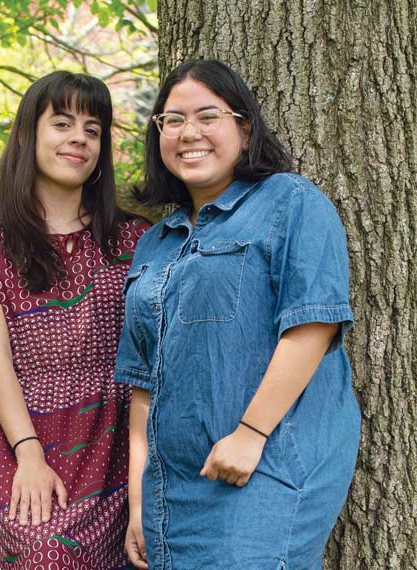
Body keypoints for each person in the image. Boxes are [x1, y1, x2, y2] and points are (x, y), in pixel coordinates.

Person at [115, 59, 361, 569]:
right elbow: (142, 384)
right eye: (173, 120)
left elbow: (313, 325)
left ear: (244, 129)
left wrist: (250, 435)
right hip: (169, 492)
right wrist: (140, 499)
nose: (189, 133)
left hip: (260, 472)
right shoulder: (154, 245)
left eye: (208, 116)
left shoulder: (291, 203)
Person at [0, 71, 149, 569]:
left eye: (93, 129)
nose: (78, 137)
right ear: (29, 136)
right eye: (62, 123)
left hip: (124, 440)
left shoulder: (136, 240)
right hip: (32, 438)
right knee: (44, 553)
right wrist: (29, 455)